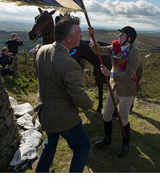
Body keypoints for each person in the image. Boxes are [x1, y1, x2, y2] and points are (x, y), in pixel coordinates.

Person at [32, 15, 94, 173]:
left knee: (50, 141)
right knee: (82, 146)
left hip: (44, 113)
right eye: (79, 33)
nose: (82, 36)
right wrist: (90, 104)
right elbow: (78, 96)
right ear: (68, 39)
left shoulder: (42, 51)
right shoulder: (70, 65)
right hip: (64, 118)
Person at [88, 26, 140, 157]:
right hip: (114, 87)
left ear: (128, 39)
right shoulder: (114, 46)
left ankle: (125, 144)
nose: (118, 37)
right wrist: (92, 37)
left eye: (121, 35)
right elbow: (99, 50)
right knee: (106, 115)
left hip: (127, 90)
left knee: (123, 118)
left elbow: (129, 74)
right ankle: (107, 138)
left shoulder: (134, 51)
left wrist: (109, 73)